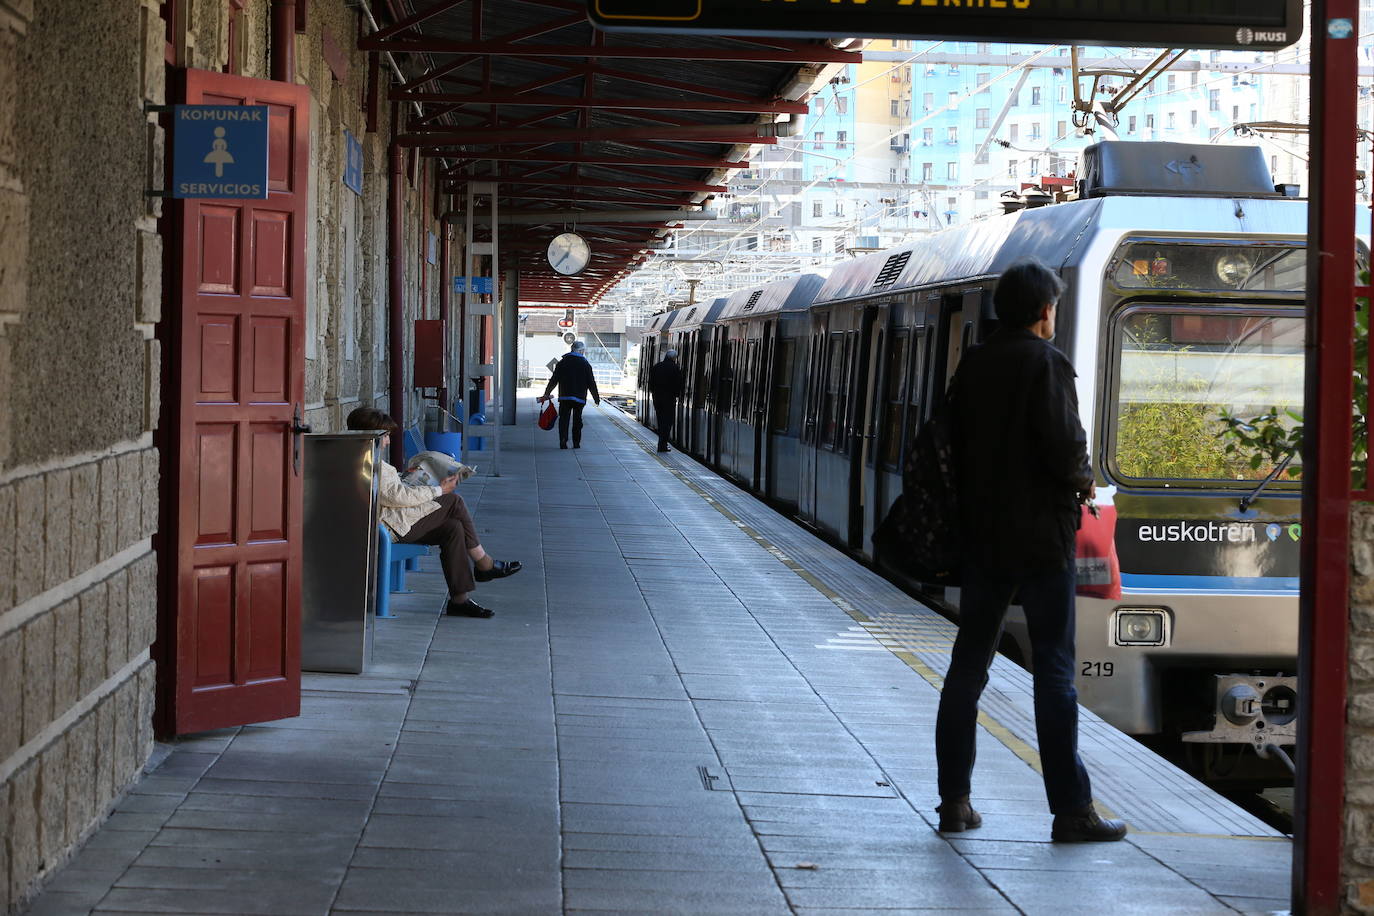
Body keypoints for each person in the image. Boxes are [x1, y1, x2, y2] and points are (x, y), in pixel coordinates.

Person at [932, 259, 1127, 844]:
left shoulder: (974, 363)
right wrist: (1084, 480)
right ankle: (1072, 810)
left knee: (967, 667)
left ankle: (954, 801)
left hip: (983, 538)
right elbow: (1067, 450)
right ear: (1045, 310)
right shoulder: (1047, 363)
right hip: (1042, 541)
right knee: (1054, 671)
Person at [346, 407, 520, 619]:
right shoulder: (368, 463)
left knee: (453, 528)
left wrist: (405, 478)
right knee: (453, 501)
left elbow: (388, 491)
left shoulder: (363, 458)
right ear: (372, 436)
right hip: (390, 528)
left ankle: (459, 600)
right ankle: (484, 563)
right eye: (386, 436)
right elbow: (396, 497)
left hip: (392, 521)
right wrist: (439, 490)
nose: (388, 442)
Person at [538, 340, 600, 449]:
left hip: (565, 397)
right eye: (583, 351)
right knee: (577, 420)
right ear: (580, 351)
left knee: (564, 419)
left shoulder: (562, 362)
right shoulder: (585, 364)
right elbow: (591, 382)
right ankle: (576, 442)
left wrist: (547, 393)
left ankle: (563, 440)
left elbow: (554, 380)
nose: (583, 353)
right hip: (579, 398)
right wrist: (596, 398)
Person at [648, 348, 684, 453]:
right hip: (669, 400)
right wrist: (676, 395)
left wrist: (655, 393)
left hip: (657, 399)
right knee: (667, 422)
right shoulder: (675, 368)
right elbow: (679, 384)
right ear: (673, 358)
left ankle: (661, 444)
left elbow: (651, 383)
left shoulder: (657, 367)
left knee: (660, 421)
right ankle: (662, 445)